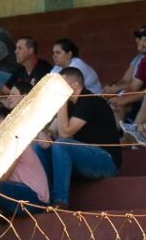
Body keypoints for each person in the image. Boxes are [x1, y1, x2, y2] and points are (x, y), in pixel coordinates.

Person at [35, 67, 122, 207]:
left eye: (61, 84)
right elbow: (52, 129)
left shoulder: (89, 100)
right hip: (84, 159)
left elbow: (65, 133)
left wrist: (61, 100)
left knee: (61, 144)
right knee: (40, 147)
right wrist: (45, 135)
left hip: (106, 160)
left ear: (74, 85)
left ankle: (60, 201)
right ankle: (42, 199)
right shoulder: (70, 104)